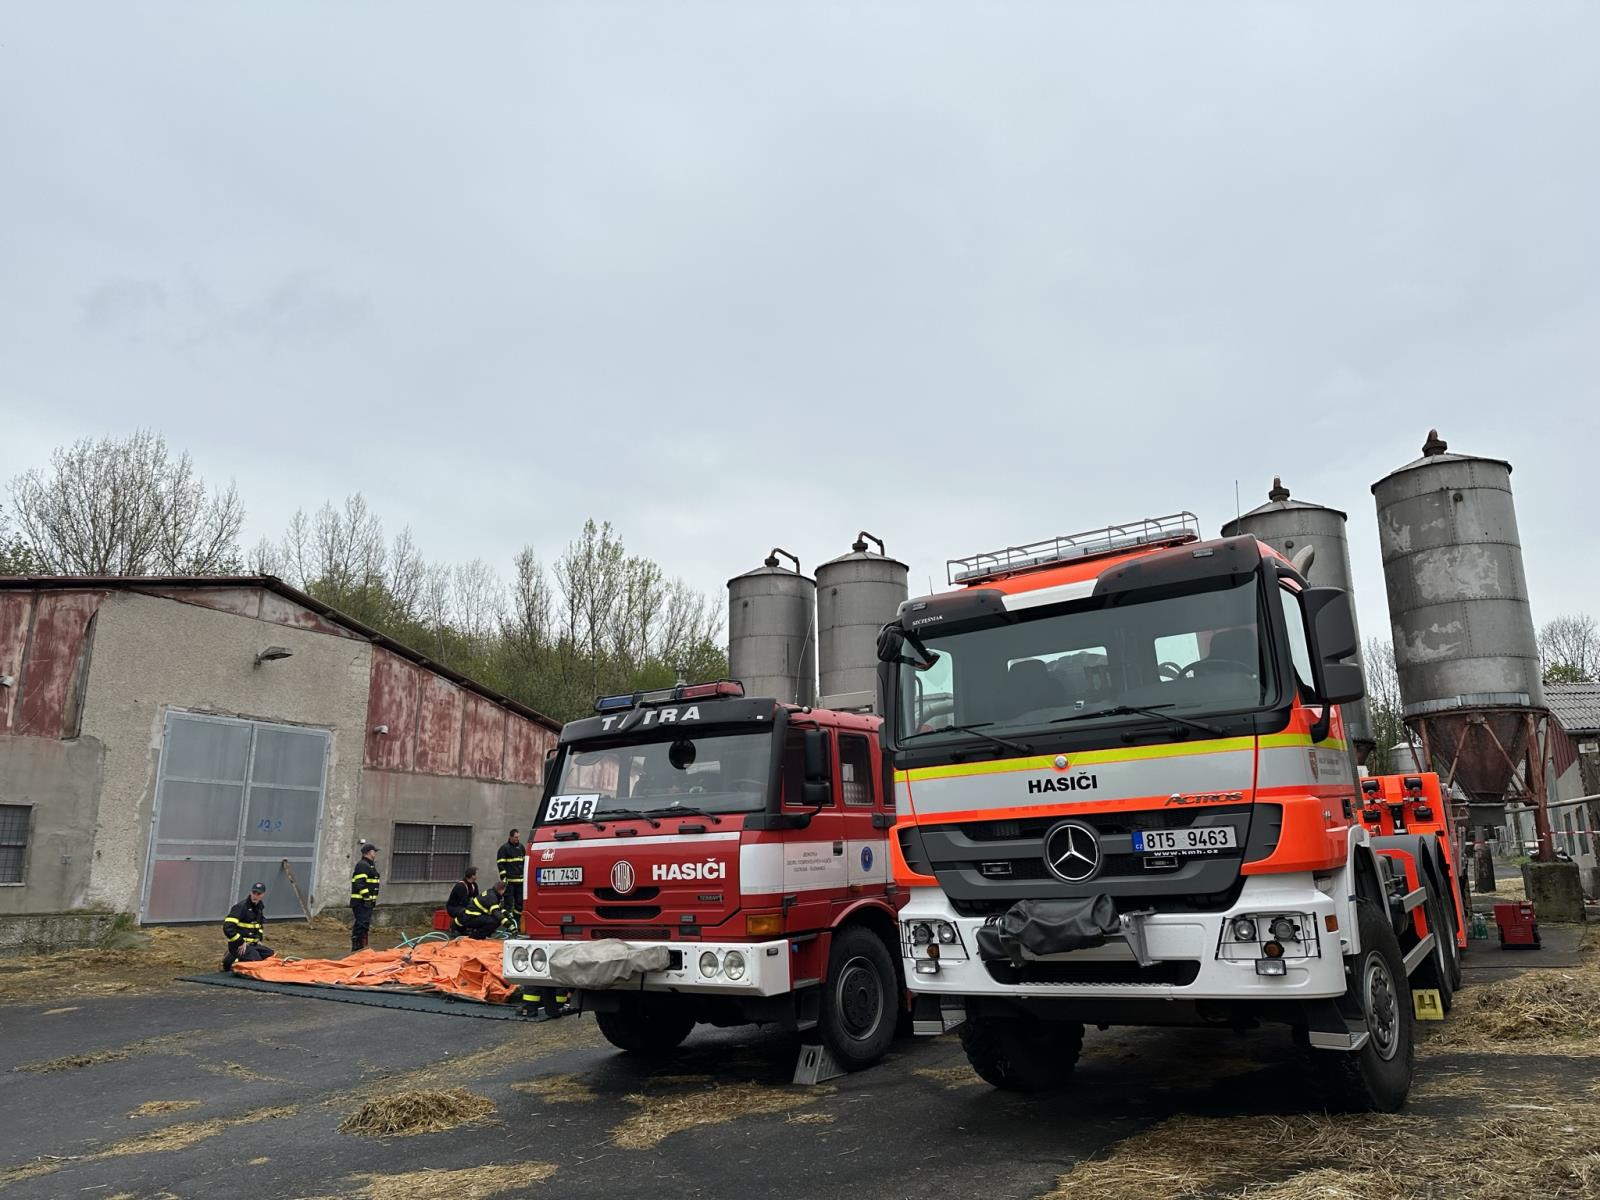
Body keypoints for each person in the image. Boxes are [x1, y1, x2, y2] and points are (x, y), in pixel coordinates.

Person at [221, 882, 275, 971]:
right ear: (250, 892)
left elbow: (259, 926)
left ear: (263, 895)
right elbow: (228, 927)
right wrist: (240, 942)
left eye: (258, 894)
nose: (255, 896)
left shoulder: (259, 907)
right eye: (254, 892)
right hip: (239, 945)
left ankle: (234, 957)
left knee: (271, 955)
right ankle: (231, 961)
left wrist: (259, 939)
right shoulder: (241, 907)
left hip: (253, 944)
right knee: (256, 963)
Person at [350, 842, 381, 952]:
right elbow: (360, 883)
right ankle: (357, 947)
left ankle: (362, 946)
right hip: (361, 901)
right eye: (374, 851)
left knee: (364, 923)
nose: (375, 853)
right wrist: (367, 897)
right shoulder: (363, 865)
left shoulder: (369, 865)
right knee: (361, 923)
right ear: (368, 852)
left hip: (367, 902)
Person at [496, 829, 526, 926]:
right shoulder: (504, 849)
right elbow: (501, 865)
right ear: (510, 837)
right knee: (508, 904)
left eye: (518, 837)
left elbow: (525, 863)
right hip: (509, 883)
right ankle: (508, 925)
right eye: (515, 837)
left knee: (519, 904)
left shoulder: (521, 847)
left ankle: (516, 923)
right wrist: (504, 879)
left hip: (520, 882)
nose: (517, 839)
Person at [446, 866, 480, 936]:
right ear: (472, 876)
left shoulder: (474, 885)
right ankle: (453, 928)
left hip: (463, 906)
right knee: (466, 912)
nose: (477, 875)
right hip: (453, 907)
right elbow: (465, 902)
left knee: (477, 911)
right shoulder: (461, 885)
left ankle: (464, 929)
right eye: (476, 874)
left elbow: (477, 898)